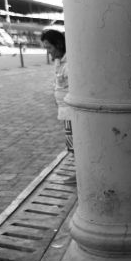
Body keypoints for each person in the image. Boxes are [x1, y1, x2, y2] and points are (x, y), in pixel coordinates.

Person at [41, 29, 76, 185]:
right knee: (71, 144)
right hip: (64, 112)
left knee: (75, 145)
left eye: (49, 48)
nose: (49, 52)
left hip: (71, 113)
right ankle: (79, 172)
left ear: (59, 44)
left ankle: (80, 174)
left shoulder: (70, 64)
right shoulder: (58, 61)